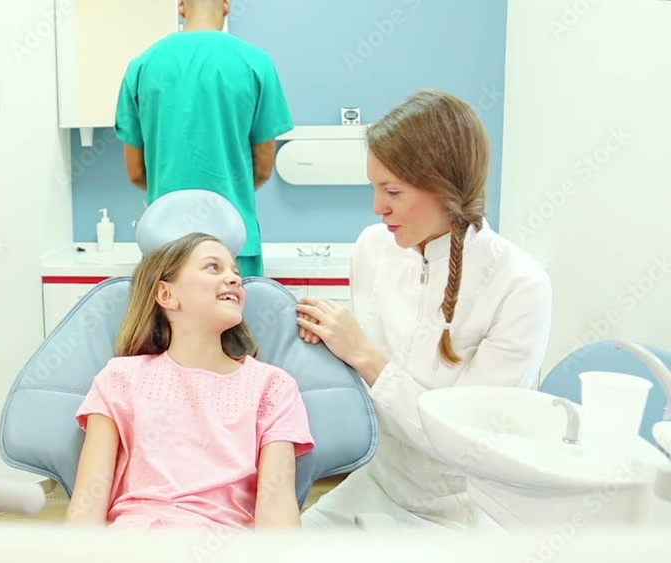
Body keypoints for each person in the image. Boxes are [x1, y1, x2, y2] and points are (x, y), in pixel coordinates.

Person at [294, 90, 553, 531]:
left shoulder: (519, 285)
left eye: (392, 191)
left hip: (466, 511)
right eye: (374, 188)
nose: (378, 208)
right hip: (378, 484)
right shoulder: (374, 248)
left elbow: (468, 441)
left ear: (446, 188)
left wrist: (366, 357)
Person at [65, 232, 315, 530]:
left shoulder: (272, 387)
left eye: (236, 272)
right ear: (167, 295)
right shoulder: (119, 379)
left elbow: (277, 510)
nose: (234, 279)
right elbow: (86, 509)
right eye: (213, 267)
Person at [113, 0, 294, 278]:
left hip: (164, 249)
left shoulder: (143, 65)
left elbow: (136, 172)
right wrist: (229, 192)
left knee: (168, 323)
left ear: (181, 6)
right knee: (234, 321)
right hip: (232, 249)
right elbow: (263, 167)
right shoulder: (255, 63)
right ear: (226, 6)